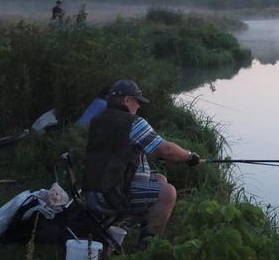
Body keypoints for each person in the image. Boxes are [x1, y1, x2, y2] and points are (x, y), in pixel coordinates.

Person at [81, 78, 200, 249]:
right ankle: (145, 251)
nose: (139, 107)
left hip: (96, 188)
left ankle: (145, 232)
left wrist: (154, 155)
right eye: (137, 102)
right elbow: (166, 149)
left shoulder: (101, 119)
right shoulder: (130, 122)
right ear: (127, 100)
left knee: (160, 179)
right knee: (168, 192)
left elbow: (116, 152)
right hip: (107, 195)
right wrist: (189, 156)